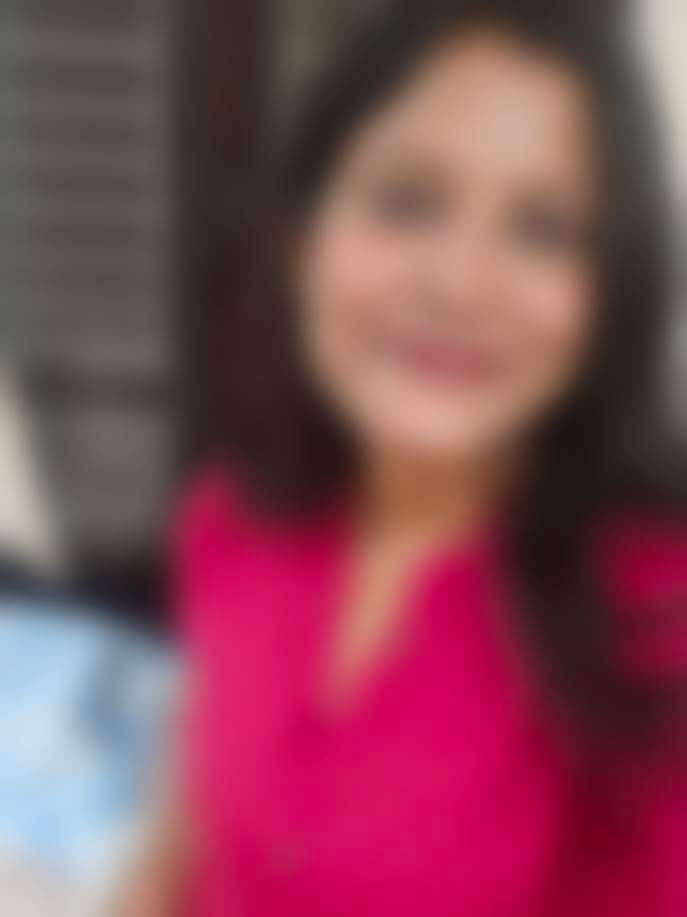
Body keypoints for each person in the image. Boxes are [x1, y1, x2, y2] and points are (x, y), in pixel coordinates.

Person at [128, 2, 687, 914]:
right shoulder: (229, 518)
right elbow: (179, 843)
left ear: (612, 295)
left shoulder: (653, 609)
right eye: (406, 201)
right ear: (301, 237)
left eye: (544, 229)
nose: (460, 284)